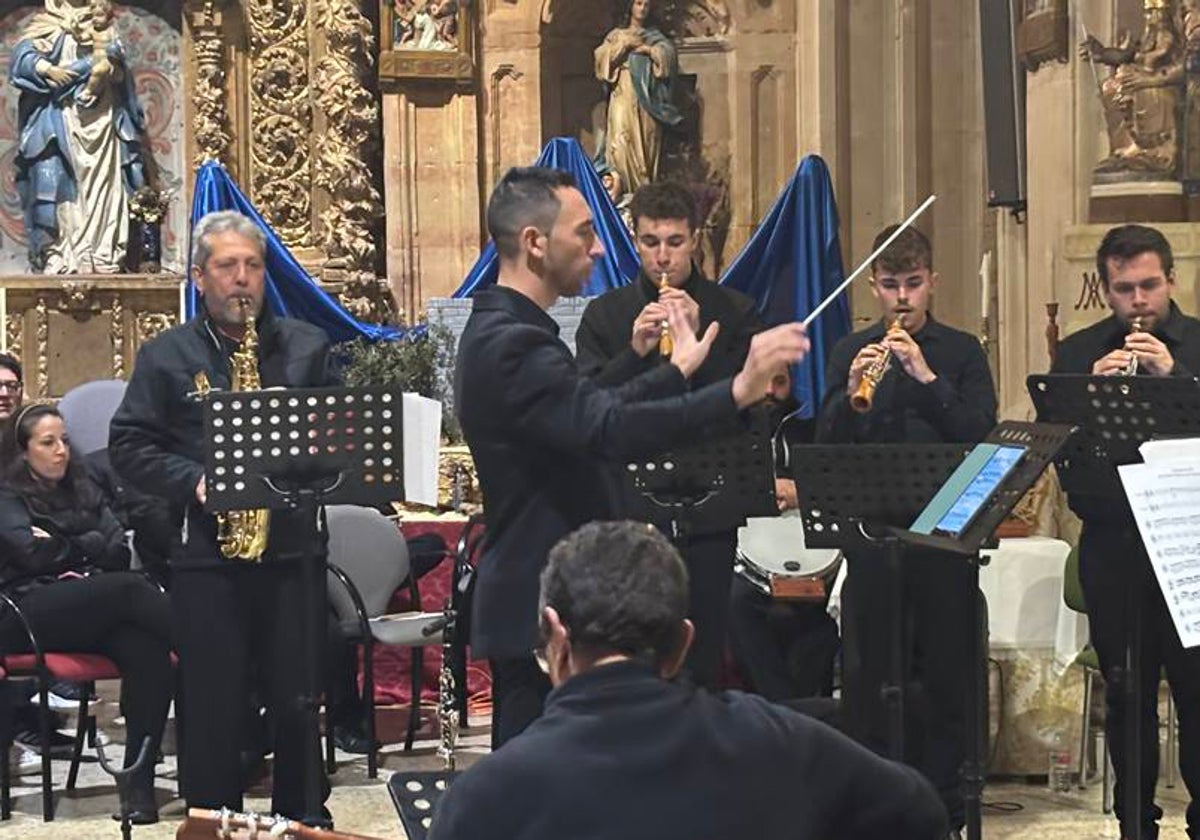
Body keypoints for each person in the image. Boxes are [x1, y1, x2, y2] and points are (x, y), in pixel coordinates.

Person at [455, 166, 809, 747]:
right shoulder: (510, 343)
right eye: (584, 232)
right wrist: (735, 392)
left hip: (554, 595)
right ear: (535, 244)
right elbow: (606, 426)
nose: (598, 247)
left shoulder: (510, 330)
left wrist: (676, 368)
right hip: (539, 599)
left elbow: (579, 407)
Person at [429, 520, 947, 840]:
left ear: (555, 637)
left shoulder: (486, 795)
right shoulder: (779, 741)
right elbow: (921, 814)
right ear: (682, 643)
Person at [109, 209, 338, 826]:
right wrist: (195, 482)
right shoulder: (166, 356)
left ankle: (302, 822)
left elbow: (338, 438)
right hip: (208, 558)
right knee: (212, 707)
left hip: (292, 553)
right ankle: (212, 824)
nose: (242, 280)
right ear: (199, 276)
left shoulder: (307, 347)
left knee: (297, 701)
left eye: (253, 266)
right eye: (227, 266)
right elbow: (128, 443)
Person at [815, 225, 996, 839]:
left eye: (913, 284)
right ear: (872, 285)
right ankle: (876, 801)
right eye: (890, 285)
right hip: (873, 539)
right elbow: (826, 449)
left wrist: (927, 380)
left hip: (946, 543)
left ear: (932, 283)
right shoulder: (850, 351)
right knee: (870, 678)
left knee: (946, 678)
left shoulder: (962, 351)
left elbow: (980, 437)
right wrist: (846, 396)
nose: (902, 299)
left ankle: (944, 807)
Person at [575, 180, 765, 688]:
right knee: (635, 652)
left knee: (700, 659)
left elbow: (750, 415)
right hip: (630, 512)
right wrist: (633, 352)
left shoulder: (736, 313)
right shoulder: (605, 316)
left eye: (675, 242)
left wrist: (701, 351)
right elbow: (587, 410)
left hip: (709, 512)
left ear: (696, 239)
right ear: (635, 243)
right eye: (651, 242)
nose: (663, 258)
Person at [1051, 223, 1200, 840]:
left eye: (1149, 286)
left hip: (1190, 542)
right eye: (1123, 290)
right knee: (1127, 691)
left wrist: (1177, 379)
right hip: (1114, 542)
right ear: (1105, 291)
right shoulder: (1080, 353)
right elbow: (1057, 447)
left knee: (1196, 693)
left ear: (1171, 280)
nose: (1139, 302)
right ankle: (1135, 823)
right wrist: (1092, 393)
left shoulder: (1196, 344)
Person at [0, 403, 172, 823]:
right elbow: (28, 553)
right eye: (48, 442)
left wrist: (62, 541)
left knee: (146, 648)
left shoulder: (84, 485)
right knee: (132, 588)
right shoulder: (6, 494)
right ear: (24, 452)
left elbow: (116, 549)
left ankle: (138, 787)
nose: (61, 450)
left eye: (64, 441)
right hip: (26, 612)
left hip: (88, 606)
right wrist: (84, 543)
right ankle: (214, 652)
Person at [10, 0, 147, 273]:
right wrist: (49, 70)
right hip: (59, 117)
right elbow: (22, 59)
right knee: (55, 183)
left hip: (101, 119)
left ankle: (102, 253)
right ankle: (60, 253)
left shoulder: (103, 24)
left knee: (103, 185)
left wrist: (107, 70)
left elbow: (119, 74)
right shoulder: (46, 24)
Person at [594, 0, 683, 194]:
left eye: (646, 5)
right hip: (623, 93)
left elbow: (669, 58)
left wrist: (649, 50)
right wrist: (624, 46)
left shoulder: (654, 38)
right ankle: (622, 190)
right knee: (620, 141)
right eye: (638, 3)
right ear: (630, 7)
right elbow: (601, 63)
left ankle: (644, 191)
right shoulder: (616, 35)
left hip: (648, 99)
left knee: (647, 142)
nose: (642, 9)